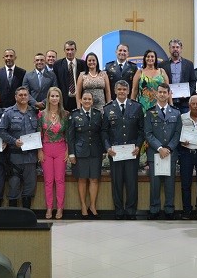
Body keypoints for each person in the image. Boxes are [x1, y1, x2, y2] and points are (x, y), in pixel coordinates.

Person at [102, 80, 144, 220]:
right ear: (115, 90)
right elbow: (104, 132)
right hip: (115, 152)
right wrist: (108, 148)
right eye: (119, 89)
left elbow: (141, 130)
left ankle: (131, 211)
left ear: (128, 91)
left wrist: (138, 146)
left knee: (132, 182)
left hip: (132, 151)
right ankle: (119, 211)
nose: (121, 92)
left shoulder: (137, 107)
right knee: (117, 183)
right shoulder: (108, 108)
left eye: (124, 89)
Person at [0, 86, 39, 209]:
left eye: (25, 95)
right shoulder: (9, 112)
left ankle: (27, 216)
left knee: (30, 187)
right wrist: (14, 141)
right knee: (13, 187)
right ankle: (12, 217)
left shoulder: (34, 112)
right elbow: (1, 131)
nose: (23, 97)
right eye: (20, 95)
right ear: (15, 97)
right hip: (14, 157)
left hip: (31, 157)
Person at [144, 83, 182, 219]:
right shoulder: (149, 112)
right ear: (156, 94)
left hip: (170, 153)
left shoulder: (176, 112)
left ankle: (169, 209)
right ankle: (154, 209)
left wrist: (169, 148)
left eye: (165, 92)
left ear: (169, 93)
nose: (162, 94)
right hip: (155, 153)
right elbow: (148, 133)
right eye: (159, 92)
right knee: (155, 183)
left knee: (169, 183)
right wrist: (160, 148)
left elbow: (178, 133)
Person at [67, 91, 105, 219]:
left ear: (92, 101)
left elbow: (102, 134)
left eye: (89, 99)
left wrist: (104, 150)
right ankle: (83, 205)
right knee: (82, 179)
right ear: (81, 100)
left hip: (95, 151)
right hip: (80, 152)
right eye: (85, 99)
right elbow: (70, 136)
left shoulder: (98, 114)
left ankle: (92, 205)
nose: (87, 101)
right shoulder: (74, 115)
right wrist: (71, 153)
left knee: (94, 179)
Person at [38, 87, 68, 219]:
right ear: (48, 98)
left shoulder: (65, 114)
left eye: (57, 96)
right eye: (52, 96)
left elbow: (68, 135)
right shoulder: (41, 114)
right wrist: (39, 151)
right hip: (46, 149)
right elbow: (39, 134)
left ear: (60, 98)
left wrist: (68, 150)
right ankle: (49, 208)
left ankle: (60, 208)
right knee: (48, 181)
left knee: (60, 180)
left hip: (61, 148)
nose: (54, 98)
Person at [178, 95, 197, 220]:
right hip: (186, 152)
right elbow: (178, 133)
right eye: (193, 104)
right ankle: (187, 210)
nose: (195, 106)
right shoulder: (182, 117)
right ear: (189, 105)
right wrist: (181, 142)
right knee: (186, 183)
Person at [159, 39, 196, 113]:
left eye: (177, 47)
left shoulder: (189, 64)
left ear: (181, 49)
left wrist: (188, 93)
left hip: (184, 102)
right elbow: (160, 82)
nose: (175, 49)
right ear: (169, 49)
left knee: (184, 123)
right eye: (173, 47)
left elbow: (193, 81)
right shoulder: (162, 65)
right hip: (168, 101)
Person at [52, 41, 87, 112]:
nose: (70, 52)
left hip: (79, 99)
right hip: (64, 101)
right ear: (64, 50)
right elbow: (56, 83)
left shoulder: (83, 64)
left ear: (75, 50)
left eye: (72, 49)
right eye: (67, 49)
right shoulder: (57, 64)